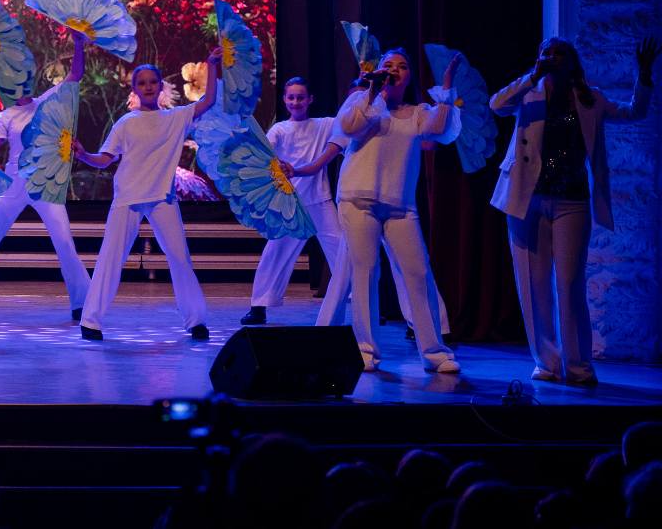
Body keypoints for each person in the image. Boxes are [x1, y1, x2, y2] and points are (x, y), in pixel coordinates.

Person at [489, 36, 656, 385]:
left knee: (569, 283)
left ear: (571, 62)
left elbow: (634, 112)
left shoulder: (589, 98)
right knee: (534, 284)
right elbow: (497, 105)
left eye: (559, 53)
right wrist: (532, 76)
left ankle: (578, 365)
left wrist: (643, 76)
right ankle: (547, 362)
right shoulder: (529, 93)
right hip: (527, 199)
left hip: (572, 200)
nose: (552, 57)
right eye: (546, 52)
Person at [74, 49, 223, 341]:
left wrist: (211, 65)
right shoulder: (126, 123)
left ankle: (196, 320)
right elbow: (105, 159)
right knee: (110, 258)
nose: (148, 87)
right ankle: (90, 321)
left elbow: (208, 101)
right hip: (128, 197)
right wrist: (83, 155)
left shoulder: (175, 118)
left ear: (160, 86)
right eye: (141, 83)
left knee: (179, 257)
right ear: (134, 89)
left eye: (153, 82)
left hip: (162, 198)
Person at [334, 47, 462, 372]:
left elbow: (440, 130)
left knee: (418, 272)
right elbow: (348, 127)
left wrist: (446, 88)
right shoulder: (363, 101)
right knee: (366, 273)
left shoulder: (417, 112)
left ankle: (434, 352)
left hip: (400, 205)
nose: (394, 69)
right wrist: (372, 91)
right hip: (357, 199)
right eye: (388, 64)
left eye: (402, 66)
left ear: (409, 76)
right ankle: (366, 351)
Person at [0, 31, 92, 320]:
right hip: (13, 183)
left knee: (64, 242)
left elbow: (75, 74)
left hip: (44, 183)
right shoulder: (4, 117)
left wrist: (78, 43)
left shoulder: (47, 101)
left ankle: (82, 303)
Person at [239, 77, 347, 325]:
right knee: (274, 252)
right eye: (291, 97)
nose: (296, 102)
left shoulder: (324, 125)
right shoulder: (280, 129)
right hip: (290, 203)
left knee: (341, 248)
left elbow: (349, 120)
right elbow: (265, 151)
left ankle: (360, 298)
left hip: (319, 201)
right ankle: (259, 306)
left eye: (300, 97)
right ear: (285, 100)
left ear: (310, 100)